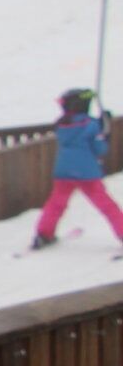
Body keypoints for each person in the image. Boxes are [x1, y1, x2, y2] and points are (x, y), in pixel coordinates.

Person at [31, 87, 122, 249]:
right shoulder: (91, 125)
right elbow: (100, 149)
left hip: (64, 171)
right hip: (87, 173)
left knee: (56, 203)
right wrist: (105, 132)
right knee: (106, 205)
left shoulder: (62, 124)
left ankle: (44, 234)